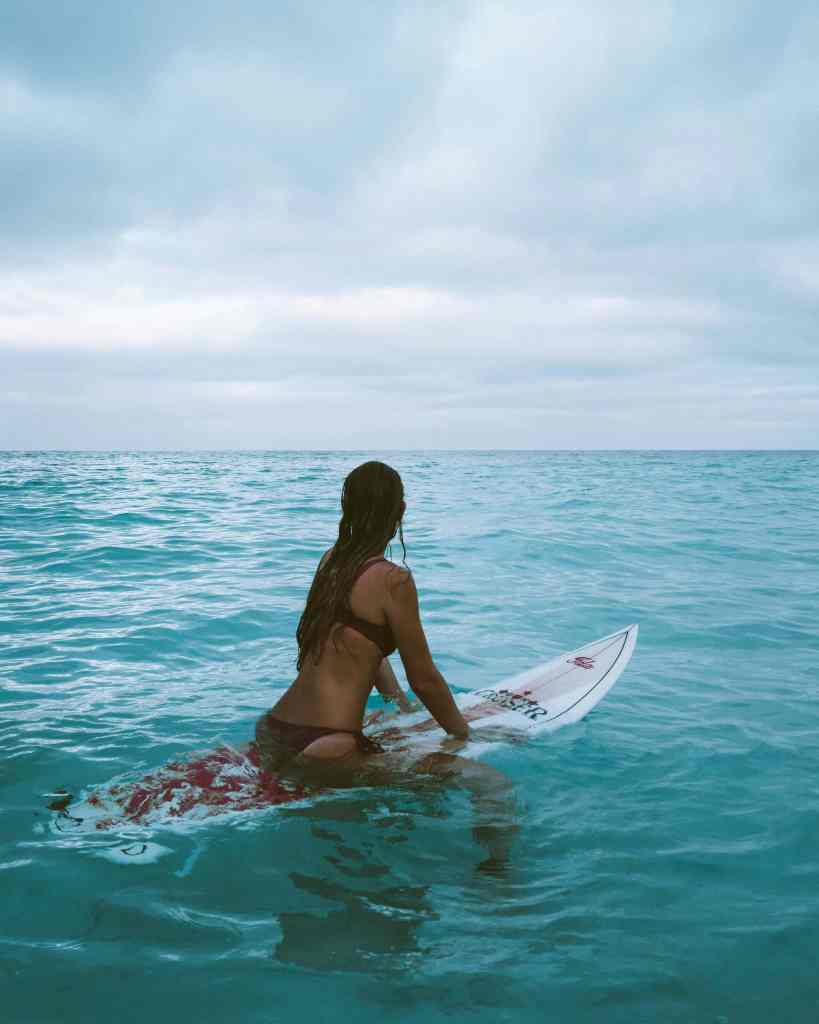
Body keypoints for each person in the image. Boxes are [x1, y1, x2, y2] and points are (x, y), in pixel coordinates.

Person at [255, 460, 470, 781]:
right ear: (400, 510)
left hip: (275, 729)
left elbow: (356, 645)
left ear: (347, 507)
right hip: (328, 744)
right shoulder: (394, 581)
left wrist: (401, 707)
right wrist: (464, 734)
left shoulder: (330, 561)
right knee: (488, 783)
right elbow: (424, 679)